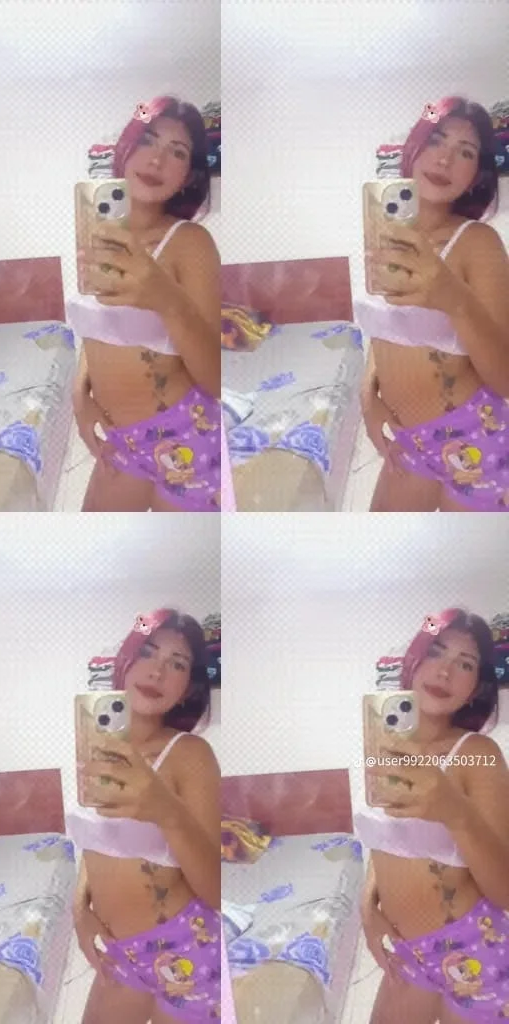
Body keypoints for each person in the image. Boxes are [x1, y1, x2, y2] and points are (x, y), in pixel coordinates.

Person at [66, 96, 221, 512]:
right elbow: (101, 326)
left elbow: (216, 379)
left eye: (177, 152)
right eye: (148, 140)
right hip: (120, 441)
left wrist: (167, 299)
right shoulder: (98, 234)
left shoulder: (191, 244)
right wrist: (80, 392)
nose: (157, 160)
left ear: (188, 176)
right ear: (125, 148)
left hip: (186, 436)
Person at [355, 96, 509, 512]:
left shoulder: (479, 244)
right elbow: (388, 326)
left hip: (475, 438)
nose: (445, 159)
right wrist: (368, 393)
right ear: (414, 147)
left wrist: (454, 298)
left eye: (466, 152)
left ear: (475, 175)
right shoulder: (386, 233)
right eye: (437, 140)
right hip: (408, 442)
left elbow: (505, 379)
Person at [66, 609, 221, 1023]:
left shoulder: (190, 756)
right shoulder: (97, 748)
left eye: (177, 664)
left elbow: (216, 890)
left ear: (187, 689)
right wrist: (80, 908)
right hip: (119, 952)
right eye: (148, 652)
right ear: (125, 662)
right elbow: (99, 841)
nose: (157, 671)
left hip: (186, 949)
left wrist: (167, 811)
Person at [355, 608, 509, 1024]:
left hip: (474, 951)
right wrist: (367, 905)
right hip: (408, 953)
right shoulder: (385, 745)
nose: (445, 671)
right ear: (413, 660)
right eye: (436, 651)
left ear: (475, 689)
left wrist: (456, 811)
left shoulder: (478, 754)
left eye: (466, 664)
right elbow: (388, 839)